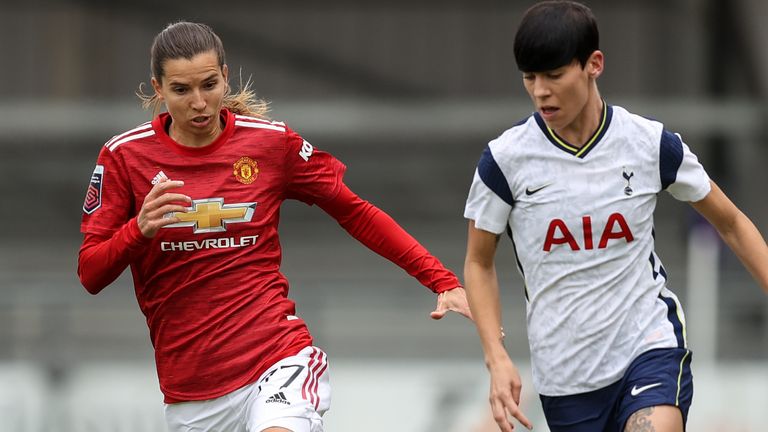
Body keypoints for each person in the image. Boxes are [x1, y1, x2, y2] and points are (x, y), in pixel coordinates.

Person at [77, 21, 471, 432]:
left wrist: (440, 279)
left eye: (209, 84)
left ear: (225, 77)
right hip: (191, 395)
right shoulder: (125, 157)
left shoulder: (270, 143)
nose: (199, 102)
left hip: (276, 360)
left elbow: (354, 211)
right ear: (157, 88)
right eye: (181, 90)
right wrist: (137, 231)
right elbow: (90, 272)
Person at [462, 1, 768, 431]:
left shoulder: (649, 144)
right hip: (566, 376)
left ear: (594, 64)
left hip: (648, 345)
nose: (540, 91)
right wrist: (496, 359)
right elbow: (478, 261)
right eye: (530, 78)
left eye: (554, 75)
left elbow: (731, 222)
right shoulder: (504, 161)